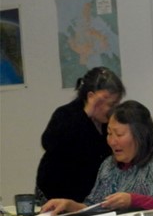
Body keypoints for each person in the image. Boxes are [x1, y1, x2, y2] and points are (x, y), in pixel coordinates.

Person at [35, 66, 126, 204]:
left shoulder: (108, 123)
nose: (113, 109)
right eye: (110, 104)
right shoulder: (65, 114)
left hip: (89, 197)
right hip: (57, 193)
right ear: (91, 97)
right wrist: (86, 113)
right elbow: (49, 142)